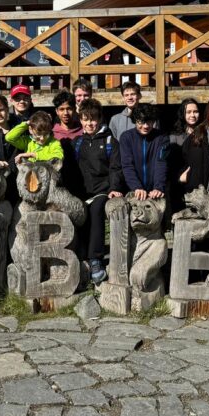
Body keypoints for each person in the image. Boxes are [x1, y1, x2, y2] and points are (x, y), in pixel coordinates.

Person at [70, 99, 124, 283]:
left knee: (95, 213)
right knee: (79, 216)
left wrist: (115, 188)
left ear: (100, 119)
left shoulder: (110, 141)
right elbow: (69, 167)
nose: (89, 124)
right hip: (82, 192)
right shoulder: (77, 142)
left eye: (92, 120)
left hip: (102, 191)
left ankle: (95, 260)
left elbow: (115, 168)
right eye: (85, 120)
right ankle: (80, 257)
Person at [119, 104, 168, 201]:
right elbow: (127, 165)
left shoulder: (162, 138)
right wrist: (136, 187)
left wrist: (158, 187)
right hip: (132, 190)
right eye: (141, 122)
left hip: (155, 190)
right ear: (135, 121)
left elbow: (161, 163)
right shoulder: (126, 137)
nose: (145, 126)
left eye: (149, 122)